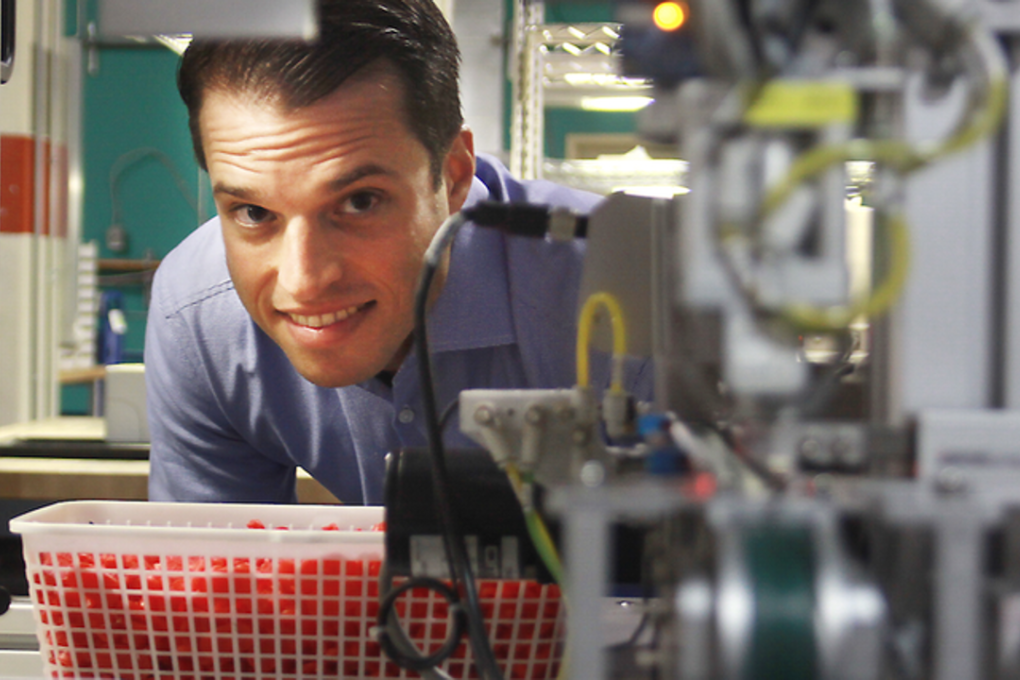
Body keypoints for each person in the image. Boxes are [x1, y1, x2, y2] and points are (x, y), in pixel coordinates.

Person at [145, 0, 652, 504]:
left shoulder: (630, 290)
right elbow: (216, 575)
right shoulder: (197, 316)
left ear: (453, 176)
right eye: (253, 213)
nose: (303, 281)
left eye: (359, 202)